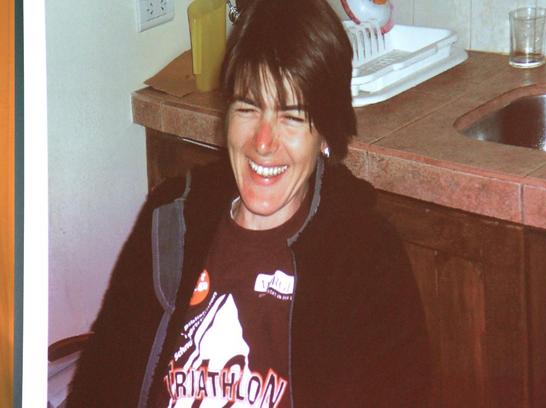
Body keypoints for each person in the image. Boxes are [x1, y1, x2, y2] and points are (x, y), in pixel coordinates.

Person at [67, 0, 430, 406]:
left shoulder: (365, 256)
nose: (263, 142)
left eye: (292, 116)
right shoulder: (172, 219)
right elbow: (100, 383)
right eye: (248, 107)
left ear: (326, 134)